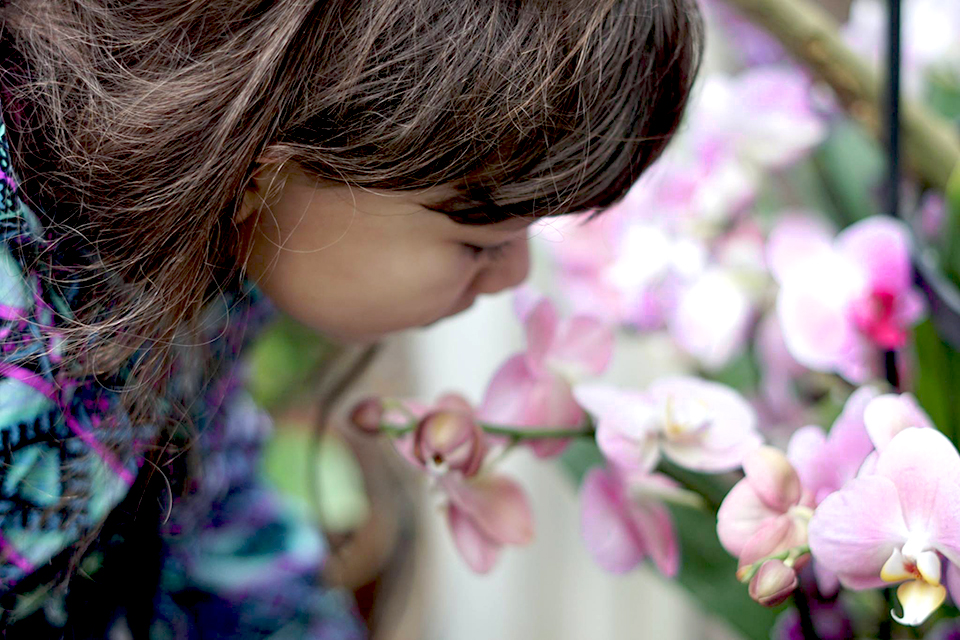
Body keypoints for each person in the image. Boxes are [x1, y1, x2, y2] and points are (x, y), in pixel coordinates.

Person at [0, 0, 702, 637]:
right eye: (480, 243)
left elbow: (207, 513)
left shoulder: (220, 253)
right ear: (267, 172)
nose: (514, 275)